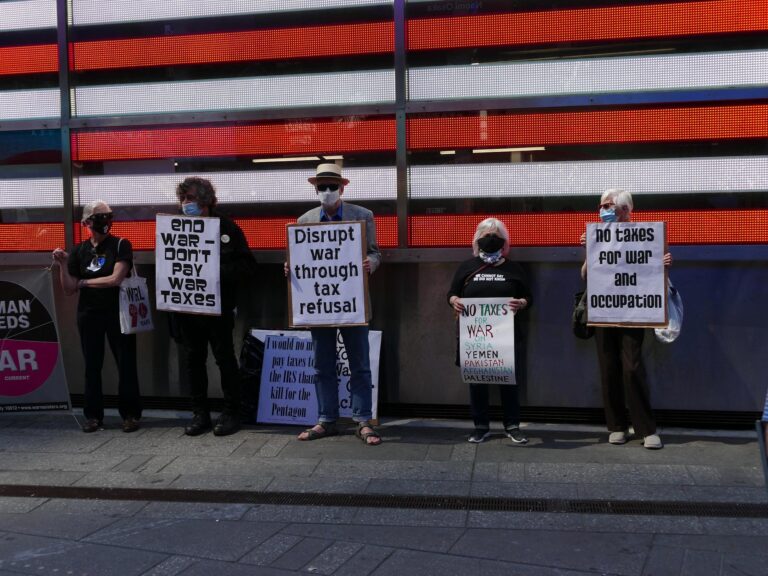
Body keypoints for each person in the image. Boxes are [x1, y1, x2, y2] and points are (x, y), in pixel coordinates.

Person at [291, 163, 382, 445]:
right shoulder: (304, 220)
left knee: (360, 364)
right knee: (322, 364)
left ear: (342, 188)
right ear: (315, 189)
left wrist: (371, 263)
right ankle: (326, 419)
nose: (327, 191)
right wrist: (290, 267)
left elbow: (375, 252)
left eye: (332, 186)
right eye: (322, 187)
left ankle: (363, 420)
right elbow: (300, 257)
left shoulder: (363, 215)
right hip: (319, 305)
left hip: (352, 302)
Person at [580, 188, 672, 450]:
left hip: (633, 311)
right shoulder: (597, 235)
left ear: (626, 209)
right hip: (604, 311)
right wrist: (589, 251)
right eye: (601, 205)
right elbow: (586, 275)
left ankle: (646, 428)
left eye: (609, 205)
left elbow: (652, 269)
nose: (604, 209)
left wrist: (664, 262)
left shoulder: (646, 235)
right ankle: (616, 425)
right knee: (608, 367)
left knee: (632, 367)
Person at [173, 177, 258, 437]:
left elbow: (248, 267)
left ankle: (232, 413)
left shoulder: (228, 228)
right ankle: (200, 414)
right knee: (193, 361)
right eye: (184, 199)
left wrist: (215, 270)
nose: (187, 204)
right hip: (187, 308)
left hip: (219, 307)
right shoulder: (177, 229)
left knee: (224, 359)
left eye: (192, 198)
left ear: (207, 200)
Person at [52, 200, 142, 433]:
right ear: (87, 223)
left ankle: (130, 414)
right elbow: (69, 288)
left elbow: (115, 279)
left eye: (108, 216)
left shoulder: (121, 245)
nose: (105, 222)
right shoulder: (80, 250)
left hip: (118, 313)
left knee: (126, 363)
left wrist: (84, 282)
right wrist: (62, 264)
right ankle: (93, 416)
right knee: (92, 365)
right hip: (89, 314)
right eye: (99, 217)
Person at [447, 218, 532, 444]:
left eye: (495, 235)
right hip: (475, 335)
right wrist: (455, 300)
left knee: (509, 381)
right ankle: (480, 426)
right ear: (477, 240)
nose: (490, 239)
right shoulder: (467, 267)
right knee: (477, 381)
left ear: (504, 242)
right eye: (485, 235)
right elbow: (452, 293)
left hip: (506, 335)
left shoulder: (513, 268)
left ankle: (512, 425)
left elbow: (528, 297)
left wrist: (522, 303)